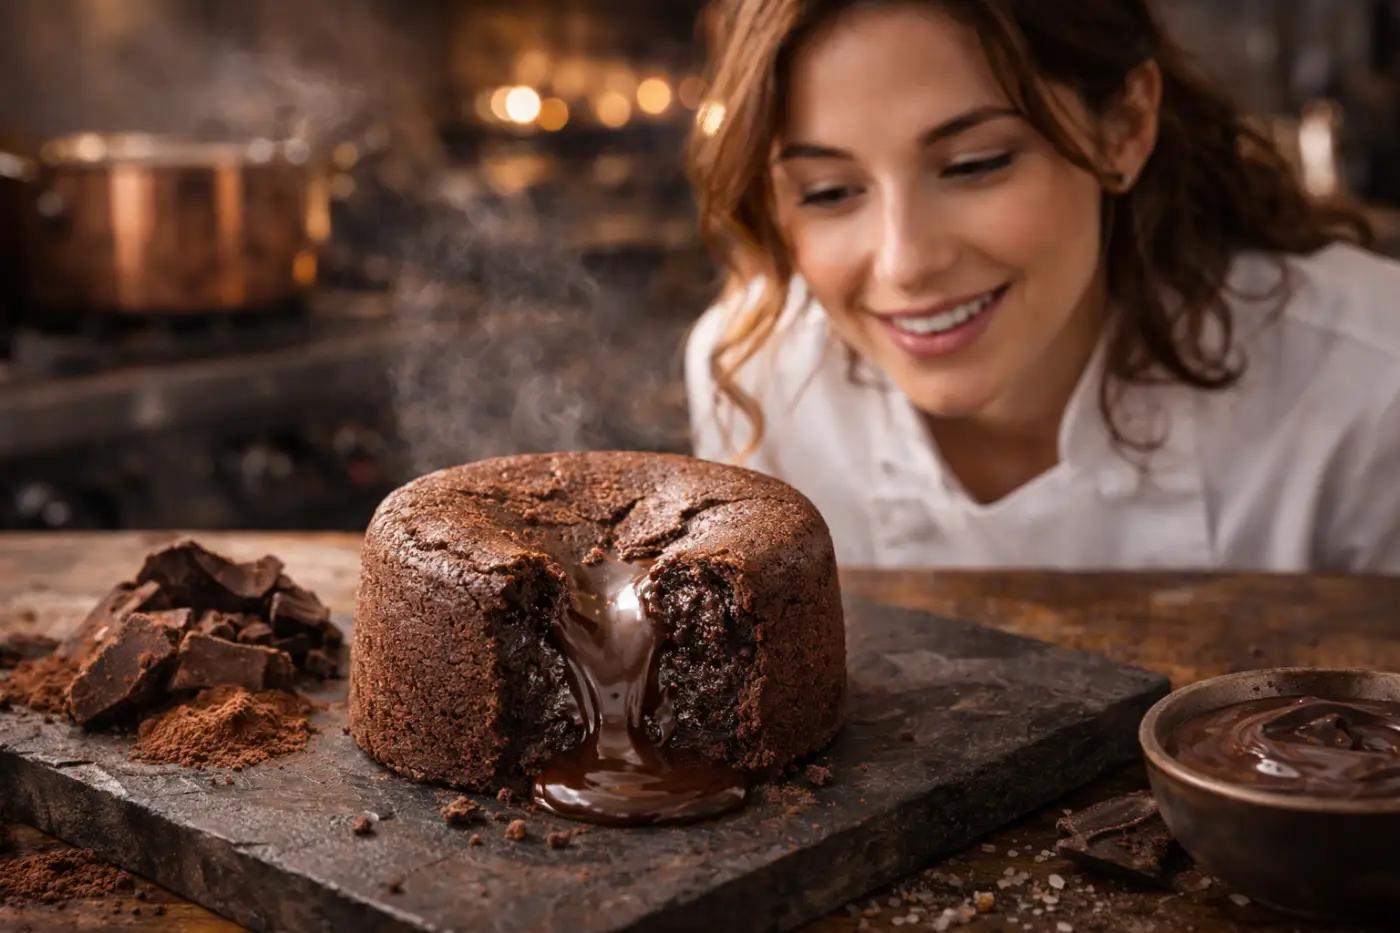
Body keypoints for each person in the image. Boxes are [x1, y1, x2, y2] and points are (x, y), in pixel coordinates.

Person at [682, 0, 1400, 572]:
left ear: (1123, 127)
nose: (905, 262)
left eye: (974, 164)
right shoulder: (756, 379)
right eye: (830, 191)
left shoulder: (1369, 379)